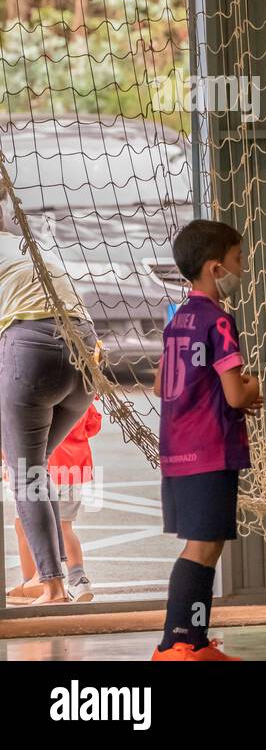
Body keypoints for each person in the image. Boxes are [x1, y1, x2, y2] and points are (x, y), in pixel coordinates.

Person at [151, 219, 262, 661]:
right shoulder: (218, 321)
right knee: (202, 547)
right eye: (238, 260)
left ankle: (191, 641)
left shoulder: (178, 319)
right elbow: (236, 393)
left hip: (177, 448)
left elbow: (161, 382)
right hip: (210, 449)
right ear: (217, 268)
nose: (243, 268)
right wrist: (252, 389)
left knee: (203, 545)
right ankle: (178, 643)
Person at [0, 198, 98, 604]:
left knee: (27, 475)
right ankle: (51, 576)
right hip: (85, 351)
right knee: (31, 470)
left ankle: (53, 585)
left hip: (32, 347)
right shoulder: (23, 246)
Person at [9, 401, 100, 604]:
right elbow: (93, 425)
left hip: (41, 468)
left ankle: (32, 581)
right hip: (75, 468)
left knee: (24, 526)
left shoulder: (31, 395)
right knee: (65, 527)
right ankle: (78, 578)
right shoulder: (78, 390)